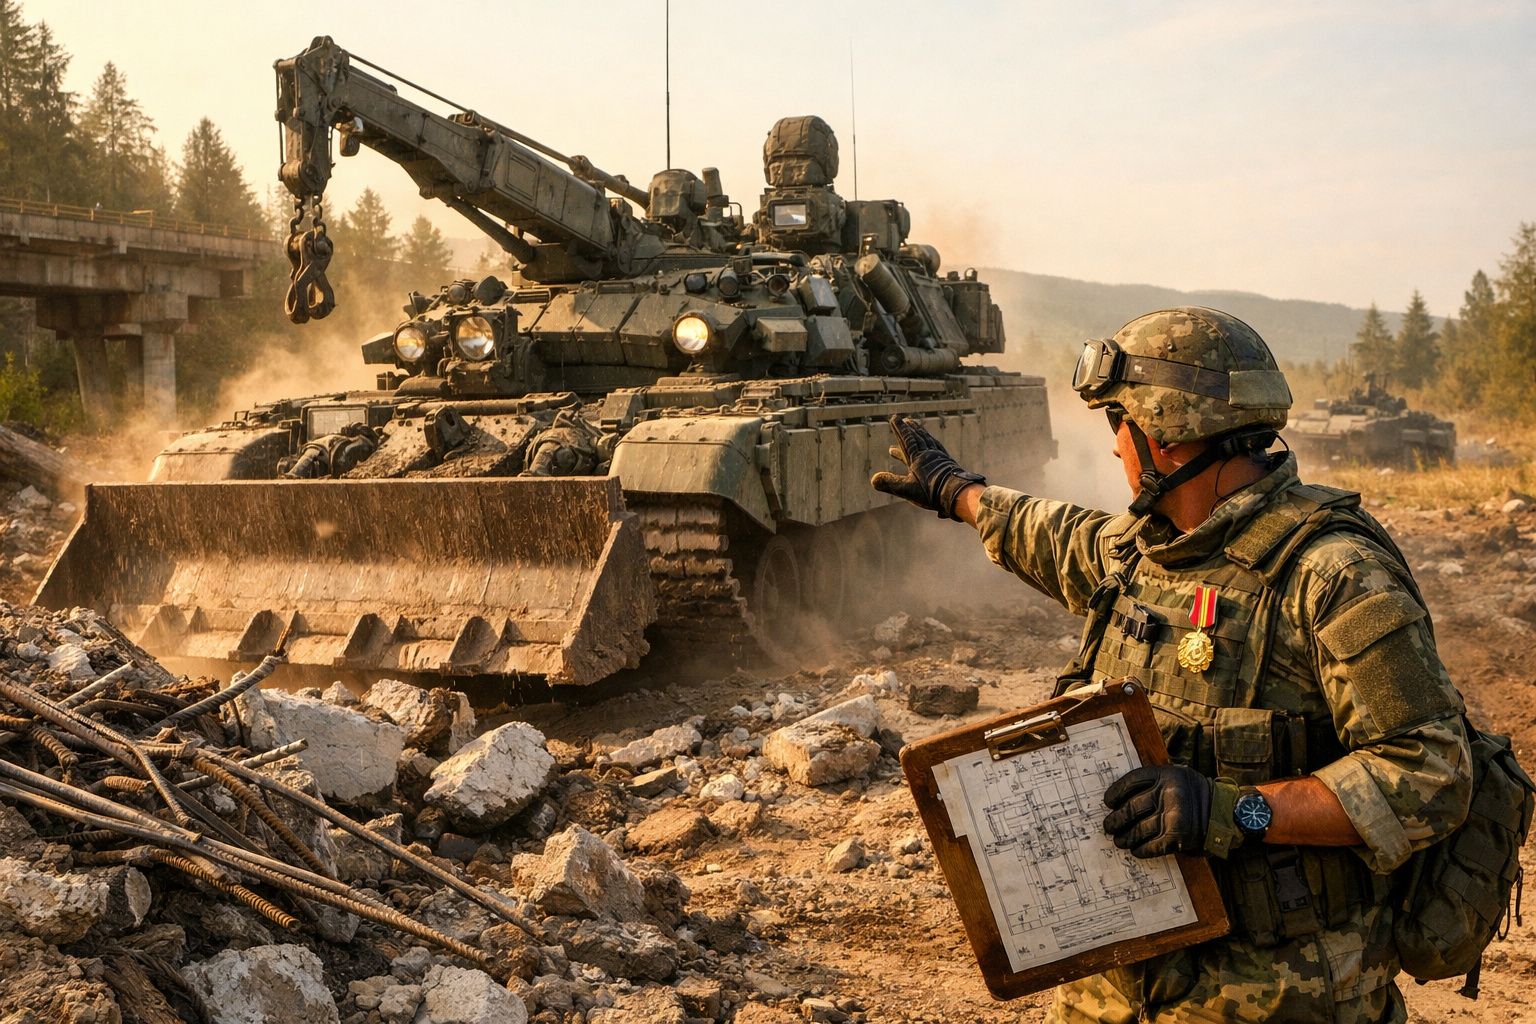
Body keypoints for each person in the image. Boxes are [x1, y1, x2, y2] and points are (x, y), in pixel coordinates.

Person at [871, 307, 1472, 1023]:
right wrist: (959, 493)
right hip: (1116, 978)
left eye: (1116, 426)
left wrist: (1233, 809)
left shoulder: (1333, 575)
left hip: (1278, 992)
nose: (1117, 452)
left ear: (1161, 434)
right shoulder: (1147, 550)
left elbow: (1430, 774)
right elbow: (1058, 536)